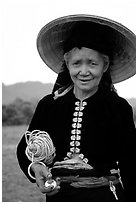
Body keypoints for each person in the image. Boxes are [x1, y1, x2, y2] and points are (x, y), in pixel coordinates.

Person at [16, 14, 136, 202]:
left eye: (93, 63)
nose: (84, 71)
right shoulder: (49, 105)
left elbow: (131, 164)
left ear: (105, 66)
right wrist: (35, 167)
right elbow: (25, 147)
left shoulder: (118, 108)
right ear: (67, 64)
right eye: (76, 63)